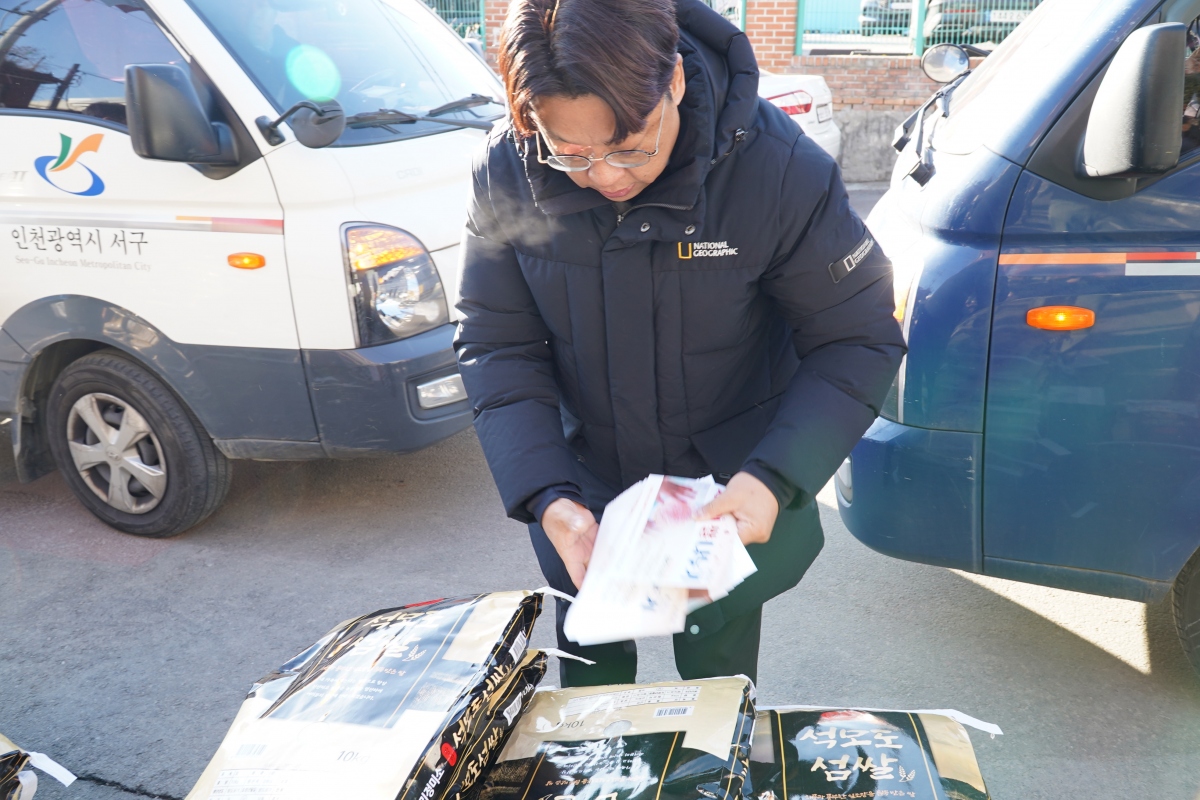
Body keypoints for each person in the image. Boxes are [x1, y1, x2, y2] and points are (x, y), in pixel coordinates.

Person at [455, 0, 906, 686]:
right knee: (590, 690)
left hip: (729, 492)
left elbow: (856, 336)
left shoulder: (776, 169)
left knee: (717, 690)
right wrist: (548, 495)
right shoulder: (508, 169)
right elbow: (497, 342)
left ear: (673, 82)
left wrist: (774, 478)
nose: (606, 176)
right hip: (584, 488)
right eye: (570, 153)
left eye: (630, 146)